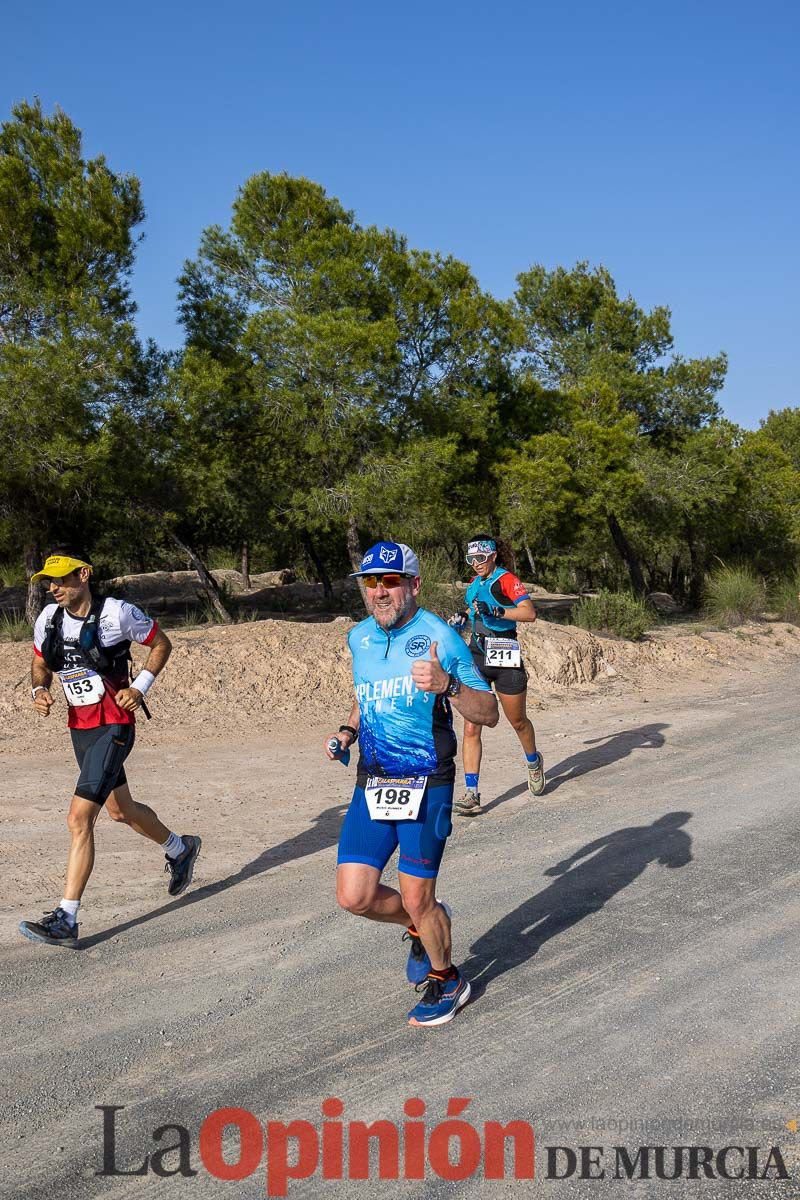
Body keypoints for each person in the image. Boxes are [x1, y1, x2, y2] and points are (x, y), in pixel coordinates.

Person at [325, 541, 498, 1027]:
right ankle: (420, 928)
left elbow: (488, 714)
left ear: (414, 584)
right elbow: (366, 695)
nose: (379, 591)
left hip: (429, 780)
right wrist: (348, 731)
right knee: (353, 896)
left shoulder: (441, 637)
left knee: (420, 895)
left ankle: (449, 979)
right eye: (371, 582)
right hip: (374, 780)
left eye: (390, 581)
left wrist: (449, 686)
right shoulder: (358, 638)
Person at [19, 546, 201, 947]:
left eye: (62, 579)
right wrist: (39, 689)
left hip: (115, 726)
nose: (54, 588)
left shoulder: (117, 614)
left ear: (84, 574)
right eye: (49, 581)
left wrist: (139, 688)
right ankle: (180, 848)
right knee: (121, 810)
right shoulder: (48, 619)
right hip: (80, 729)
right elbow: (39, 662)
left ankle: (66, 918)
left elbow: (161, 644)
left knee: (79, 819)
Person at [448, 535, 544, 815]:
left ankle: (533, 761)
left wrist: (498, 610)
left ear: (492, 556)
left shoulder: (506, 579)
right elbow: (473, 607)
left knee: (517, 721)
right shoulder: (475, 585)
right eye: (471, 559)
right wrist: (463, 617)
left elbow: (529, 613)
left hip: (505, 653)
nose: (476, 564)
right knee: (471, 723)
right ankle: (471, 792)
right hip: (476, 655)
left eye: (480, 558)